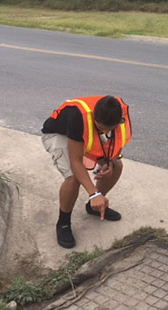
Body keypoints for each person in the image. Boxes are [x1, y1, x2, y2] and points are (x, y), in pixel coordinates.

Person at [41, 95, 132, 249]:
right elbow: (76, 161)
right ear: (94, 119)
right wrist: (93, 193)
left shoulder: (119, 112)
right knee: (73, 178)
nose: (106, 132)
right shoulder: (77, 116)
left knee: (116, 166)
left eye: (111, 129)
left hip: (86, 133)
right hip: (59, 134)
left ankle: (93, 207)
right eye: (103, 128)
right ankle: (63, 223)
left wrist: (107, 162)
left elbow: (111, 145)